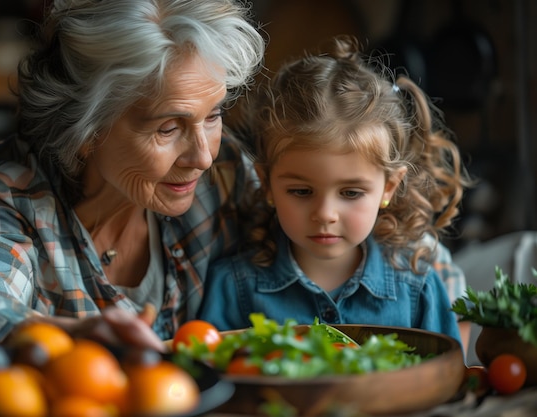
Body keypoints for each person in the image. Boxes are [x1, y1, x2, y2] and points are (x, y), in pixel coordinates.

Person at [0, 0, 265, 350]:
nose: (203, 156)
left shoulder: (226, 170)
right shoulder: (6, 190)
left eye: (212, 116)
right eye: (169, 128)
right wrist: (72, 336)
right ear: (86, 131)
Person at [198, 35, 471, 345]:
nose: (325, 215)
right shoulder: (233, 287)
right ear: (267, 183)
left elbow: (445, 381)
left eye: (351, 193)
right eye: (301, 191)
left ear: (389, 187)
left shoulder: (419, 287)